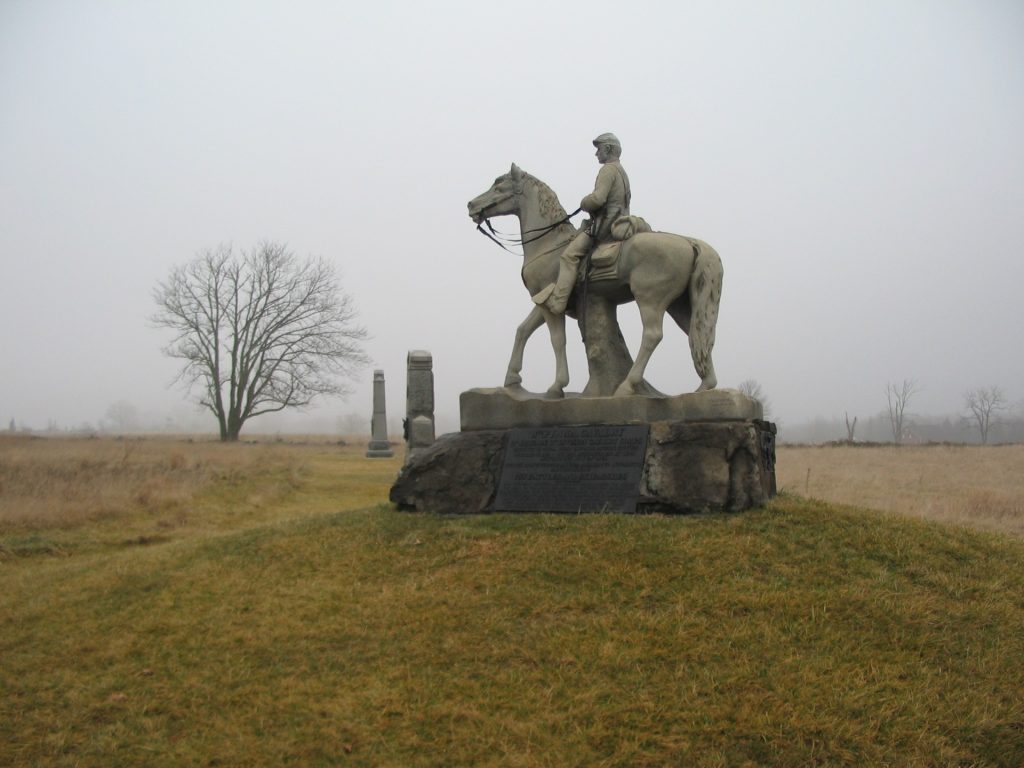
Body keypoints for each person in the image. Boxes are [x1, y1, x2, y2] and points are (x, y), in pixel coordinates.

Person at [533, 132, 631, 314]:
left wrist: (585, 202)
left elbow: (598, 199)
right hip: (621, 221)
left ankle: (559, 301)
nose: (596, 154)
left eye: (599, 149)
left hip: (606, 225)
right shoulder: (622, 171)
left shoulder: (608, 169)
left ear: (608, 148)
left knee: (569, 255)